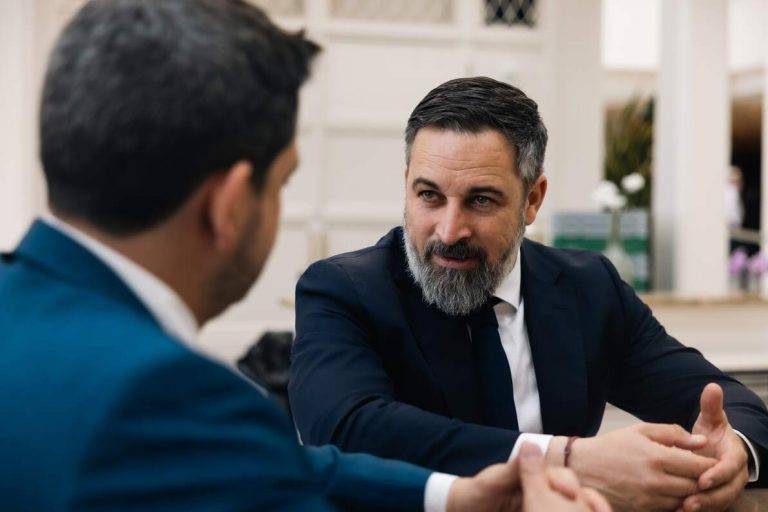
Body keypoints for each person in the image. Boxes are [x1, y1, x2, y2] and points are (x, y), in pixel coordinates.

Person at [0, 2, 611, 511]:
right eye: (284, 181)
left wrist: (451, 495)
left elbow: (281, 466)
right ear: (230, 204)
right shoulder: (164, 396)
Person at [289, 77, 768, 511]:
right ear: (406, 187)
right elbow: (346, 430)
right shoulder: (343, 290)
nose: (449, 230)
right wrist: (566, 459)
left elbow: (729, 402)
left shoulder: (587, 288)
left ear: (533, 199)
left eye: (480, 200)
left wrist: (733, 455)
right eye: (429, 196)